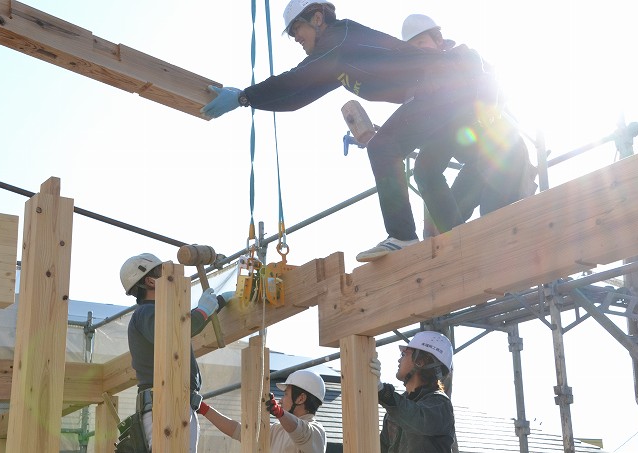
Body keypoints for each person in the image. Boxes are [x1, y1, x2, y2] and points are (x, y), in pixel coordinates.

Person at [201, 0, 501, 262]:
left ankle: (403, 237)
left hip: (448, 86)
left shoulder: (339, 38)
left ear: (318, 19)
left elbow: (296, 78)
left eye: (298, 30)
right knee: (425, 168)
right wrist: (246, 101)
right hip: (446, 95)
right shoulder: (336, 59)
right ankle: (458, 237)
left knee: (384, 146)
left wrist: (244, 96)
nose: (296, 39)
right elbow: (296, 97)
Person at [400, 14, 537, 237]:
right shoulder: (421, 92)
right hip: (476, 165)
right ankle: (454, 243)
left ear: (439, 42)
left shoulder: (462, 59)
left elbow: (493, 87)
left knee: (494, 221)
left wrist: (484, 111)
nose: (419, 51)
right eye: (413, 48)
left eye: (422, 43)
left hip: (503, 152)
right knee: (448, 216)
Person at [120, 252, 233, 452]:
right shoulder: (146, 313)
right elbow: (174, 333)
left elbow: (182, 324)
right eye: (162, 272)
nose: (171, 277)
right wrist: (203, 310)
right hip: (166, 405)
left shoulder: (161, 314)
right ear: (150, 281)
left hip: (174, 404)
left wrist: (221, 301)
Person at [197, 369, 327, 453]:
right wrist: (203, 408)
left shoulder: (316, 432)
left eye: (286, 394)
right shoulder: (278, 430)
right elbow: (239, 431)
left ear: (301, 398)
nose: (281, 400)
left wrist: (279, 412)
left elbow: (301, 432)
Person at [370, 330, 456, 452]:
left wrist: (383, 392)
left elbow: (416, 418)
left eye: (404, 355)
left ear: (420, 362)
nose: (399, 360)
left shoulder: (440, 404)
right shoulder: (396, 409)